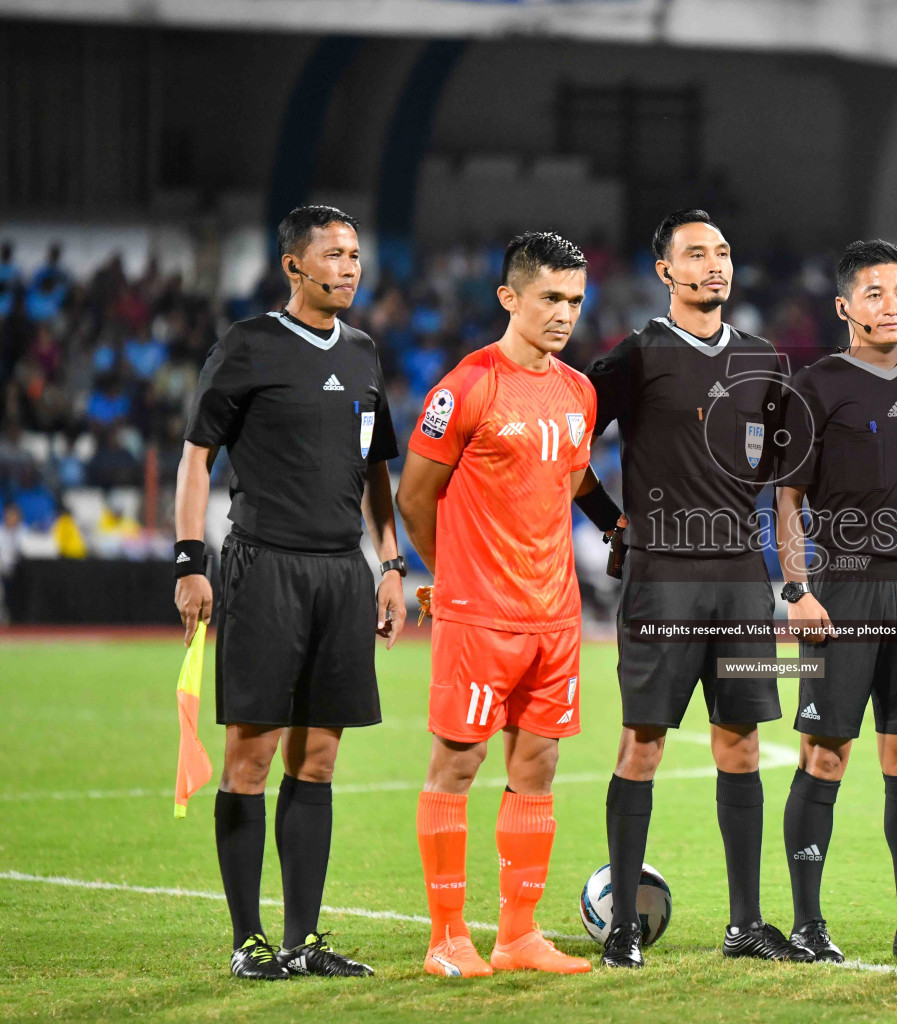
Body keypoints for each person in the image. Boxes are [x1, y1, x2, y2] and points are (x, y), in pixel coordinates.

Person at [174, 205, 405, 980]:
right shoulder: (248, 346)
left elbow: (375, 470)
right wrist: (188, 561)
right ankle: (248, 942)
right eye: (334, 255)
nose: (349, 268)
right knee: (252, 758)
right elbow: (196, 458)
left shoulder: (367, 356)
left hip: (343, 574)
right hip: (263, 566)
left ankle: (304, 942)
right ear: (294, 266)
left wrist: (392, 564)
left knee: (320, 760)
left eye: (356, 257)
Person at [585, 209, 812, 967]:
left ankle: (744, 926)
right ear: (666, 272)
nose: (714, 265)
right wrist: (611, 522)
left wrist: (792, 577)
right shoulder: (635, 357)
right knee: (642, 742)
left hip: (743, 580)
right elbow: (567, 443)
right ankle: (622, 927)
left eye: (721, 252)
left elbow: (784, 480)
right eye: (696, 254)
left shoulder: (765, 360)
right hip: (662, 580)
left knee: (742, 745)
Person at [396, 232, 597, 977]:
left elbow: (566, 483)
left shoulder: (578, 390)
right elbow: (414, 497)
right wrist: (454, 578)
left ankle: (518, 935)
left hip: (556, 614)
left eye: (575, 300)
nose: (564, 313)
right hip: (479, 614)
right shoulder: (468, 385)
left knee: (537, 766)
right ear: (510, 297)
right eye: (550, 298)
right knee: (459, 762)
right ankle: (446, 937)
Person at [774, 240, 897, 963]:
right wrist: (795, 589)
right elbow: (787, 496)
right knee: (825, 753)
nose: (892, 306)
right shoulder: (815, 386)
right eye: (876, 293)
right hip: (844, 584)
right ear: (845, 307)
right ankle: (806, 925)